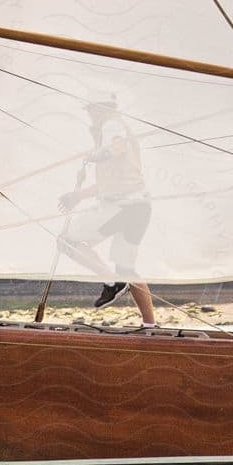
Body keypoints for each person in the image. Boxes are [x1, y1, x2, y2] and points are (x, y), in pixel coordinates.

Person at [57, 94, 155, 326]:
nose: (89, 116)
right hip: (140, 208)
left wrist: (95, 156)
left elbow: (117, 147)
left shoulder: (112, 124)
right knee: (127, 269)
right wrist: (77, 196)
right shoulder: (121, 130)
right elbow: (110, 183)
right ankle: (150, 325)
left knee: (66, 241)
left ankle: (111, 282)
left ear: (99, 109)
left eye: (90, 110)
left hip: (120, 209)